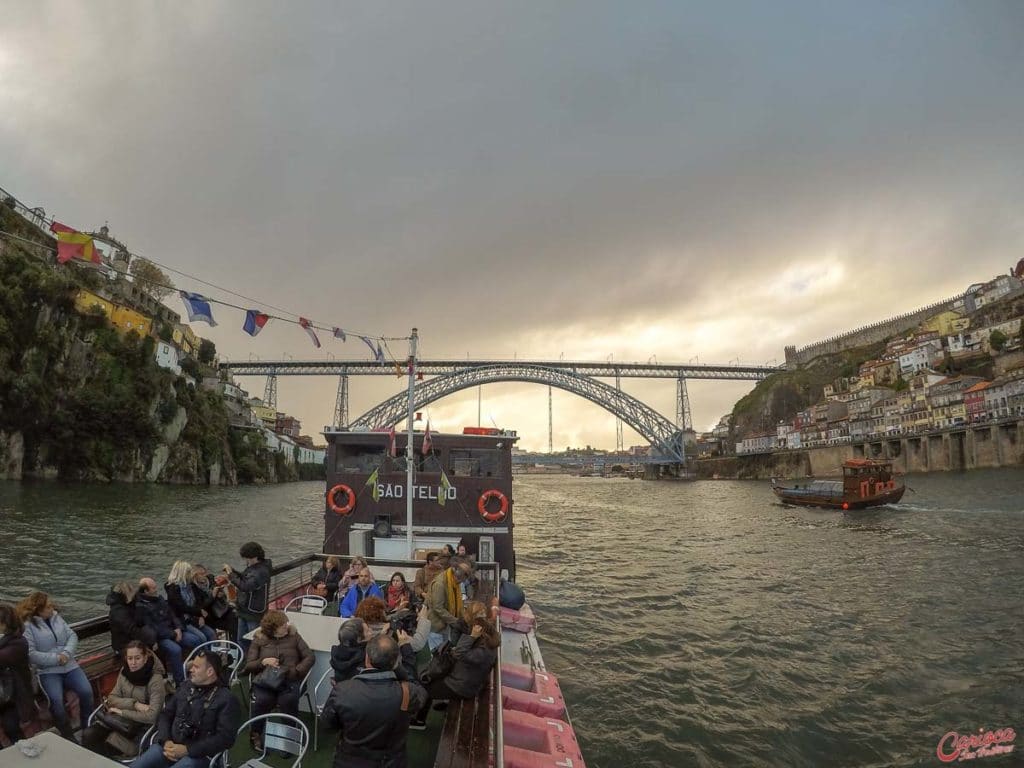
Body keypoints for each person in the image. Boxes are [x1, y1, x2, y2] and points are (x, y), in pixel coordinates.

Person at [319, 633, 426, 768]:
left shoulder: (342, 690)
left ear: (367, 658)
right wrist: (405, 653)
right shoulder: (407, 692)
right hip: (390, 762)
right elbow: (420, 691)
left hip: (348, 762)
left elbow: (328, 726)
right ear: (395, 662)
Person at [130, 650, 240, 768]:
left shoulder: (227, 699)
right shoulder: (185, 687)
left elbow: (225, 738)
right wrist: (166, 740)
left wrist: (188, 750)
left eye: (196, 667)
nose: (191, 670)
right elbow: (165, 715)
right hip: (169, 746)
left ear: (210, 671)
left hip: (200, 757)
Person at [18, 591, 95, 740]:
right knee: (56, 701)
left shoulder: (57, 617)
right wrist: (56, 659)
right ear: (38, 610)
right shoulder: (28, 626)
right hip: (48, 671)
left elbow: (72, 635)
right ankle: (67, 735)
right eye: (48, 606)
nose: (52, 607)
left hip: (70, 665)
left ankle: (88, 727)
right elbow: (31, 653)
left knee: (87, 692)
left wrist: (66, 653)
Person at [410, 602, 499, 730]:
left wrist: (472, 636)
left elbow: (460, 653)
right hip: (465, 678)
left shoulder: (484, 648)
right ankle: (445, 701)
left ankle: (419, 721)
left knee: (426, 685)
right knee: (431, 676)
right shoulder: (488, 638)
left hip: (463, 686)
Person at [241, 610, 313, 751]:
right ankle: (255, 734)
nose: (287, 625)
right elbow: (249, 665)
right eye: (282, 624)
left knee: (288, 701)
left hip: (289, 680)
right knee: (262, 701)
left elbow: (309, 657)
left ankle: (289, 738)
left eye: (286, 622)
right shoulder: (259, 639)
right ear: (272, 628)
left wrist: (295, 671)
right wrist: (263, 661)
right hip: (266, 681)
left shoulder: (294, 636)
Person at [82, 641, 166, 759]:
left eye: (137, 658)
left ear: (145, 658)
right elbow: (112, 698)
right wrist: (135, 704)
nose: (133, 663)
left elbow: (152, 715)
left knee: (108, 745)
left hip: (138, 726)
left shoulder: (155, 680)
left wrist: (122, 711)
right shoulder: (124, 671)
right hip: (117, 718)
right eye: (130, 658)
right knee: (88, 735)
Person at [136, 578, 191, 685]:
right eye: (153, 588)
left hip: (172, 630)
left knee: (194, 640)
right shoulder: (141, 606)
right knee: (176, 650)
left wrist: (178, 628)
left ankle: (195, 668)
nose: (156, 589)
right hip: (159, 637)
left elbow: (172, 615)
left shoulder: (159, 599)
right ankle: (180, 680)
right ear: (146, 591)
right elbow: (153, 627)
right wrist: (173, 634)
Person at [223, 541, 271, 648]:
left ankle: (253, 660)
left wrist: (231, 575)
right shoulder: (255, 568)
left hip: (254, 611)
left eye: (246, 558)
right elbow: (245, 579)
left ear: (253, 557)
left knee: (255, 640)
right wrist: (233, 572)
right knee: (241, 639)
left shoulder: (261, 571)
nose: (245, 560)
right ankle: (246, 659)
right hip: (244, 609)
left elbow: (246, 586)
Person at [0, 603, 34, 745]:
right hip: (4, 692)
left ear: (6, 624)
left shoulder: (18, 643)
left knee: (12, 728)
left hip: (13, 696)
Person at [426, 560, 474, 651]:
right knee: (435, 655)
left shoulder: (453, 582)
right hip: (435, 627)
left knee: (443, 653)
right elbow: (438, 607)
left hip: (446, 626)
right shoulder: (440, 584)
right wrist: (455, 621)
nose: (460, 583)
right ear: (456, 576)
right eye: (460, 581)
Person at [165, 562, 217, 647]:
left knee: (211, 633)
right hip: (183, 620)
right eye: (188, 572)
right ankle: (203, 657)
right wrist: (199, 612)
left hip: (193, 617)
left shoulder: (190, 585)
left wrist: (200, 615)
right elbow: (182, 607)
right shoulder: (173, 589)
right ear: (182, 573)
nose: (190, 574)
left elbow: (198, 602)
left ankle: (212, 655)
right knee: (201, 638)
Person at [107, 581, 156, 657]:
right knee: (151, 658)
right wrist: (150, 638)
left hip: (133, 641)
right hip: (124, 646)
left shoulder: (129, 605)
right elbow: (132, 630)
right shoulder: (118, 611)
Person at [190, 565, 236, 640]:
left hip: (221, 610)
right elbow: (201, 606)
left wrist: (220, 594)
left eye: (204, 573)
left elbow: (221, 593)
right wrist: (213, 596)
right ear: (195, 576)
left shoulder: (210, 579)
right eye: (201, 574)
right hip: (210, 615)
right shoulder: (194, 588)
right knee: (230, 623)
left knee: (235, 618)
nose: (204, 576)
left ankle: (234, 645)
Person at [330, 619, 368, 684]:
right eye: (368, 631)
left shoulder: (338, 654)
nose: (371, 632)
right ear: (359, 639)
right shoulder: (364, 656)